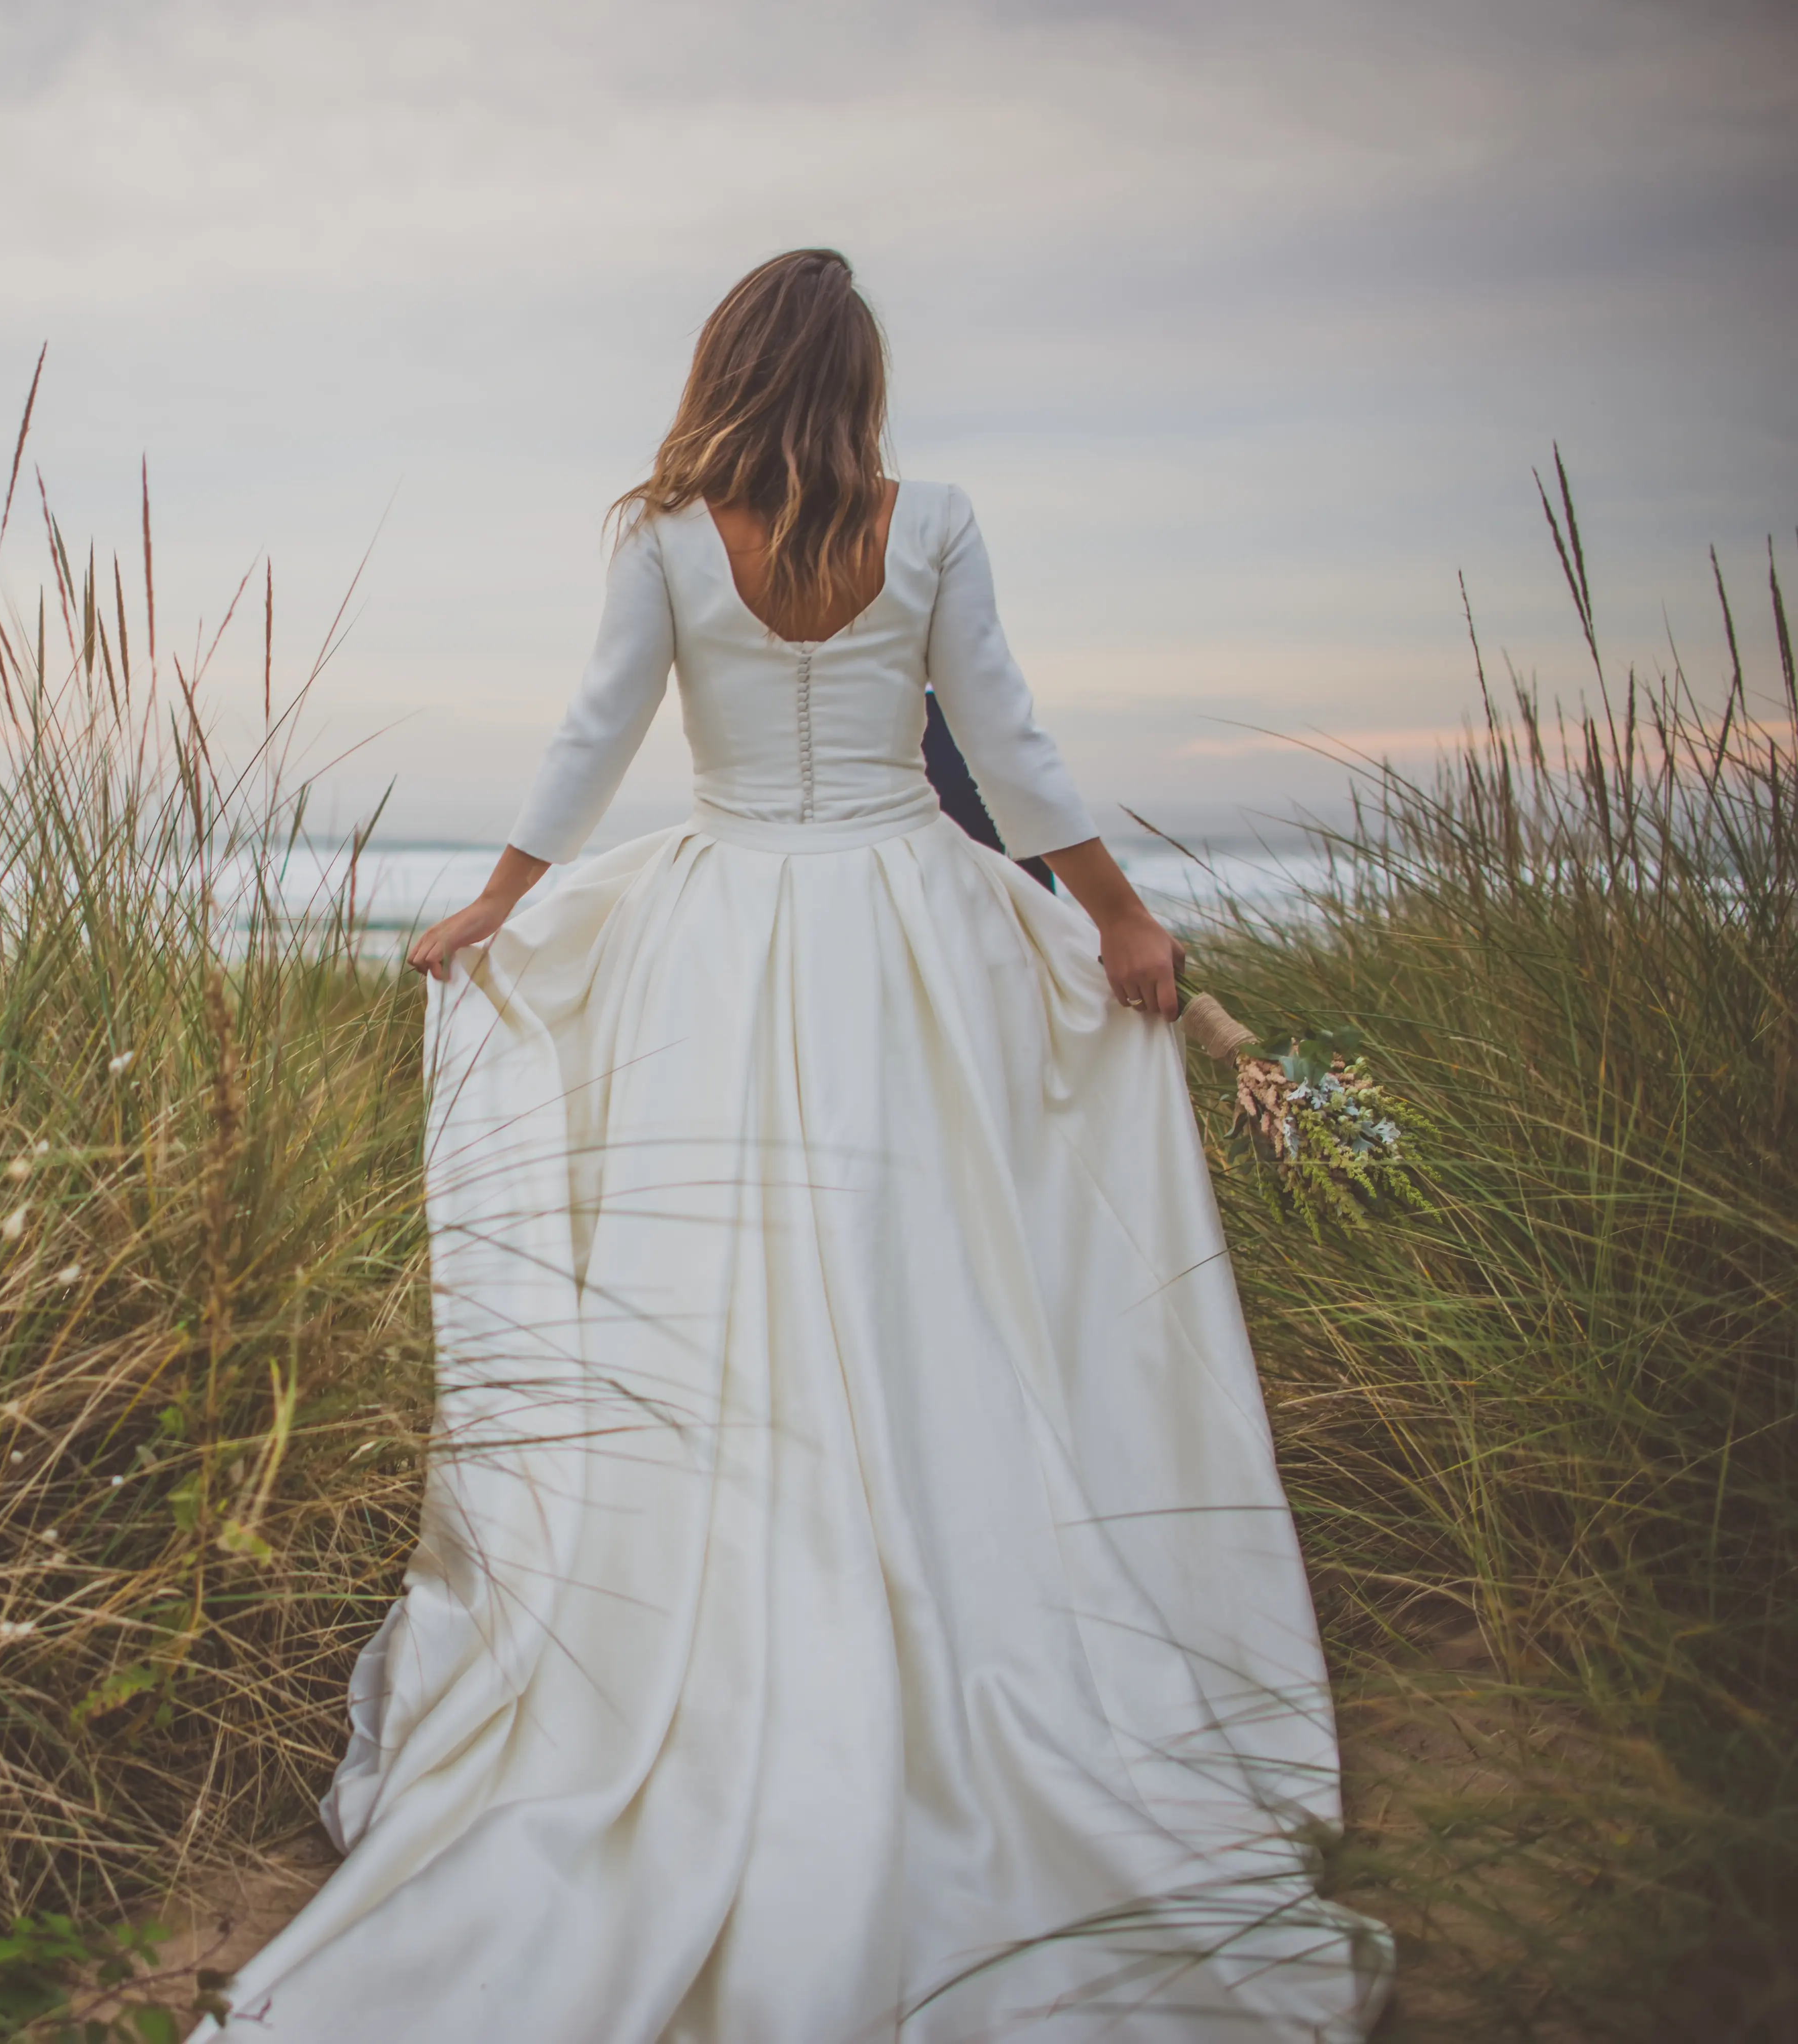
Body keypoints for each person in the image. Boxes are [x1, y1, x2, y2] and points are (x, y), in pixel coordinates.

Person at [195, 251, 1391, 2041]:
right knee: (937, 1273)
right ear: (862, 375)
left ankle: (747, 1634)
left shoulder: (672, 536)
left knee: (721, 1279)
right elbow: (1010, 744)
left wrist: (497, 907)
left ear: (726, 368)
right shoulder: (935, 523)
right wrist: (1121, 921)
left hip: (726, 934)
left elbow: (594, 741)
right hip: (915, 934)